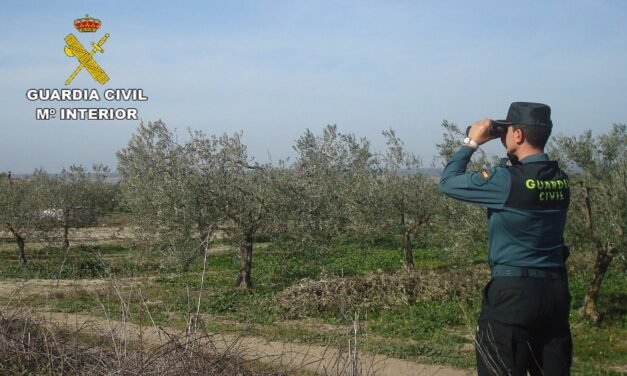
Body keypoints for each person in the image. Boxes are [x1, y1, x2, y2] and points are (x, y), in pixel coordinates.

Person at [439, 102, 572, 375]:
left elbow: (448, 182)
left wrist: (471, 142)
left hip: (512, 296)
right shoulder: (561, 180)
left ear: (519, 136)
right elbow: (528, 177)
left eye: (507, 131)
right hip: (555, 294)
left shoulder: (505, 181)